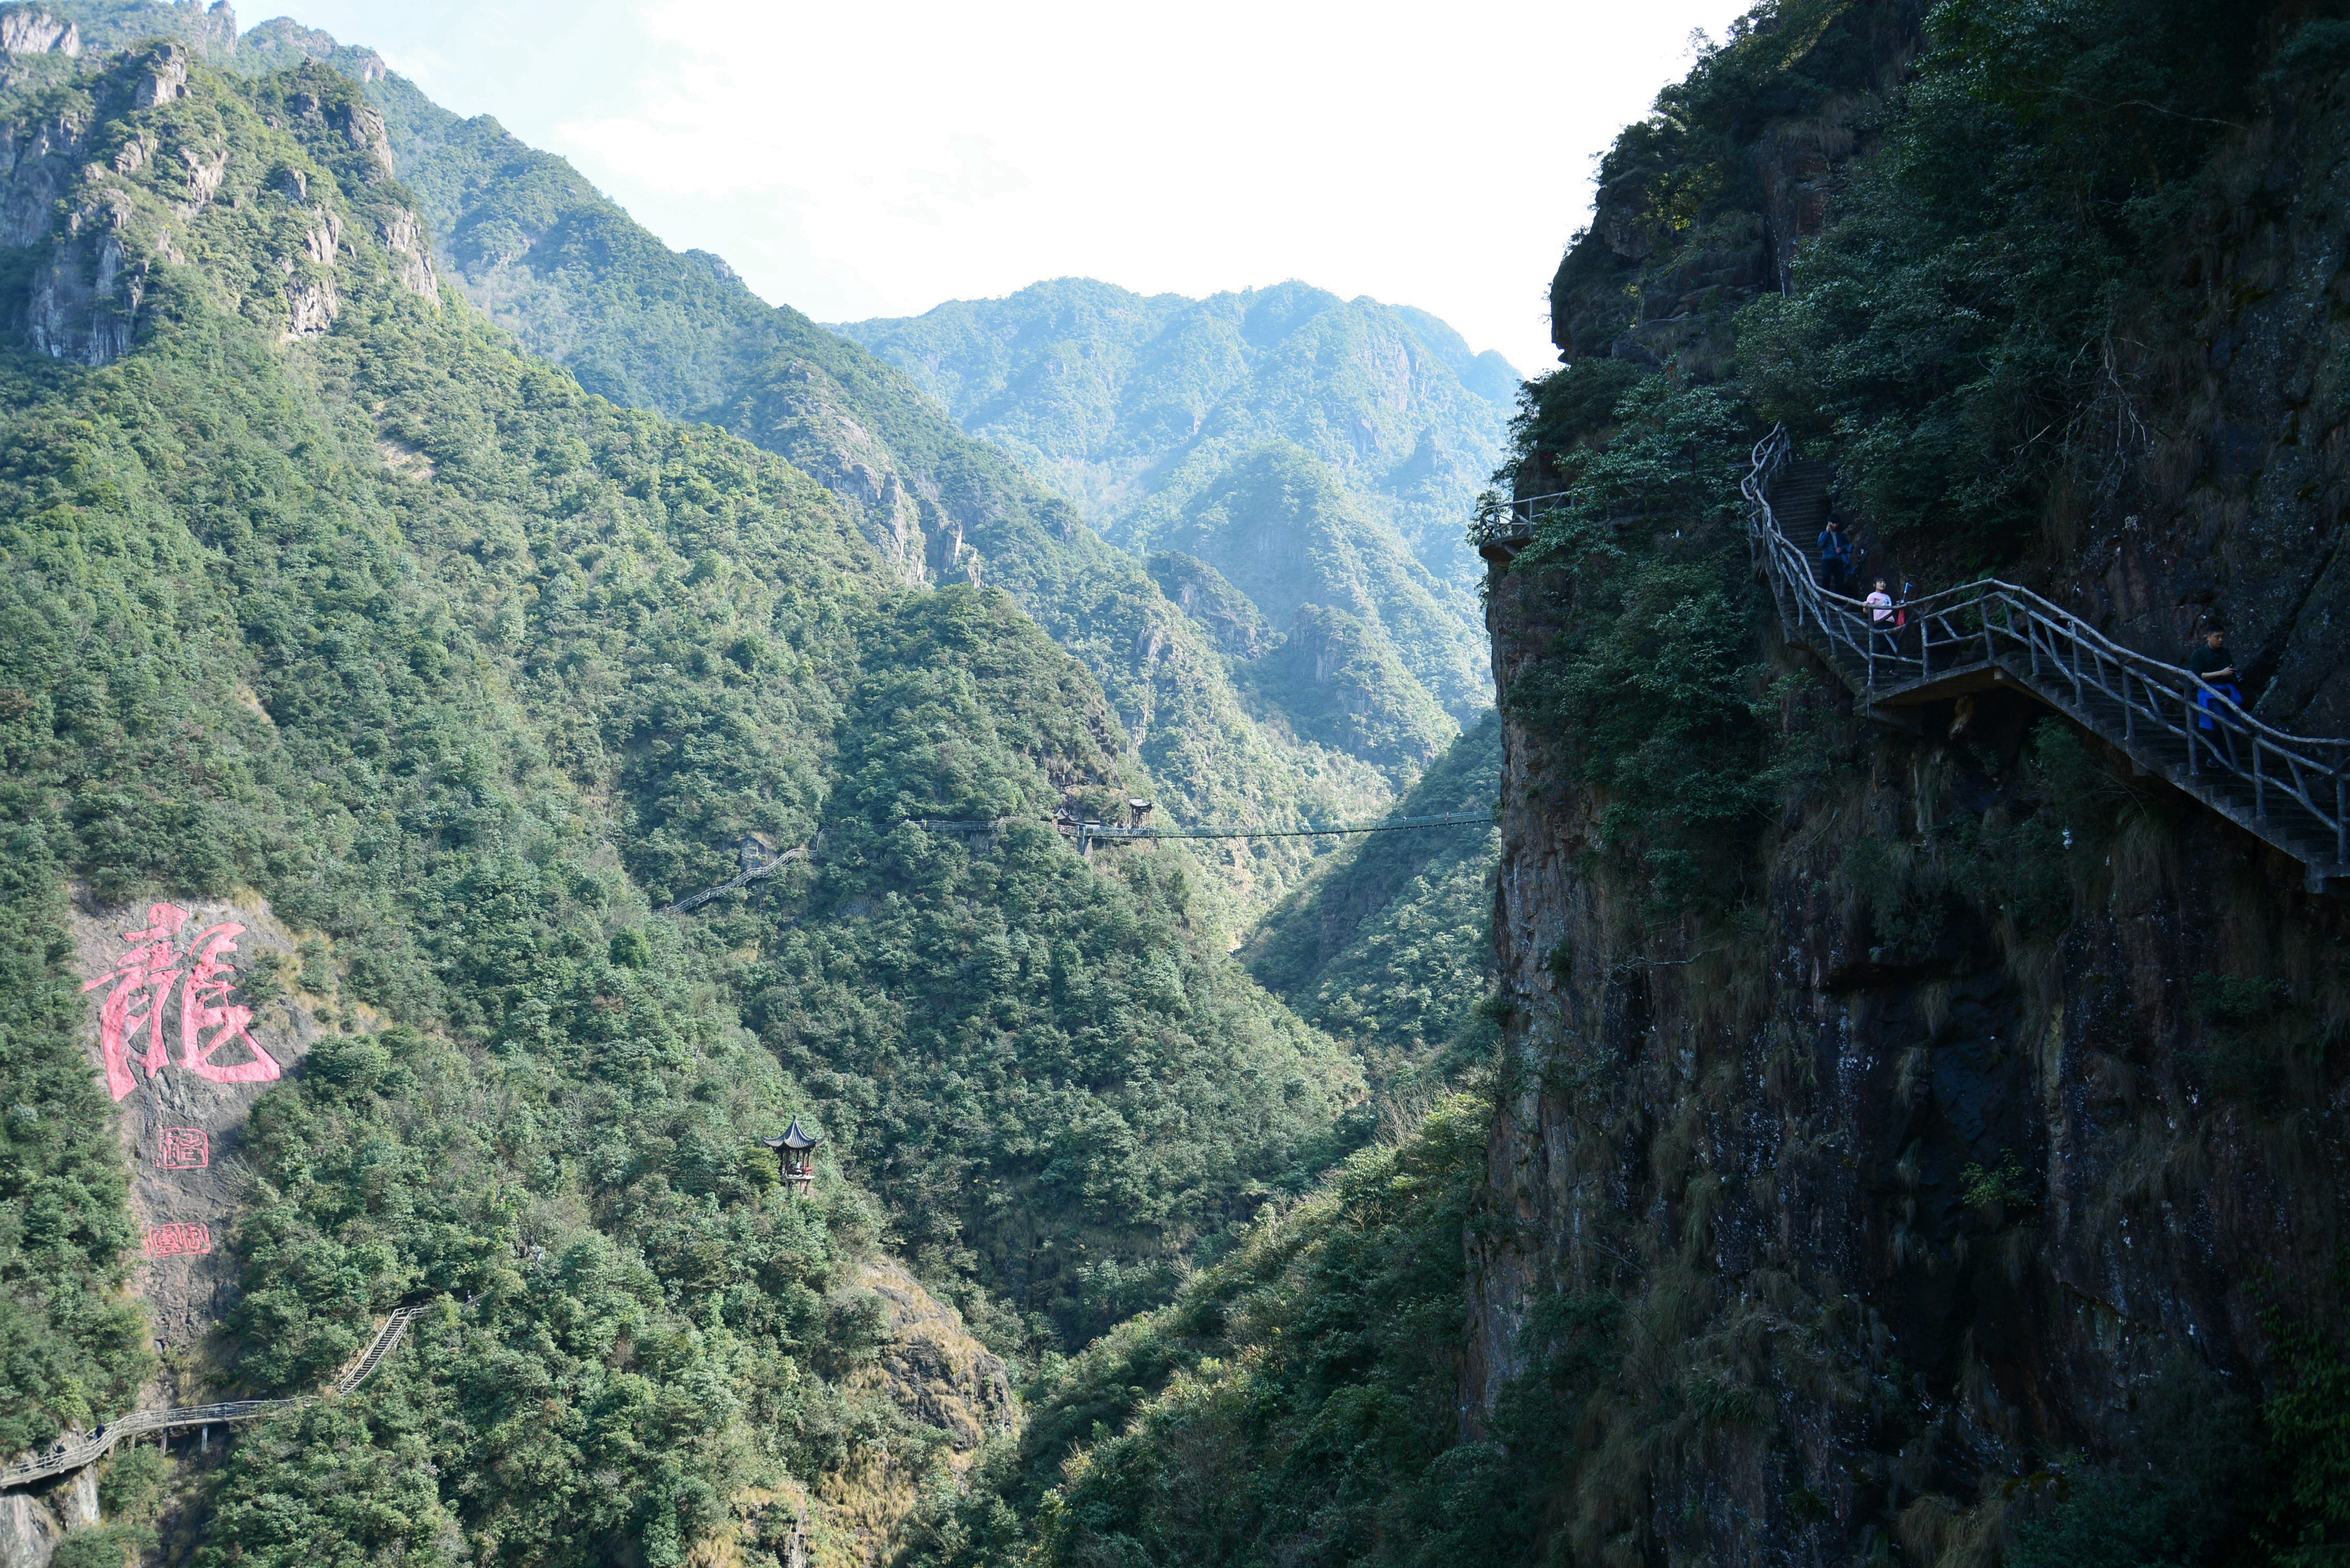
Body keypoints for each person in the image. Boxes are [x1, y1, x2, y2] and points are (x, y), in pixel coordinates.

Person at [2187, 626, 2242, 765]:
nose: (2221, 640)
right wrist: (2220, 673)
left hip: (2227, 693)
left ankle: (2224, 757)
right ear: (2208, 637)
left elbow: (2229, 671)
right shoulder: (2199, 654)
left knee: (2237, 725)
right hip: (2210, 694)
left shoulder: (2225, 653)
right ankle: (2214, 756)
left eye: (2223, 637)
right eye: (2217, 637)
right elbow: (2195, 675)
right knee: (2220, 722)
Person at [1818, 518, 1853, 595]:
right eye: (1833, 523)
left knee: (1840, 580)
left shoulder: (1842, 535)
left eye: (1836, 523)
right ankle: (1825, 596)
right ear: (1829, 523)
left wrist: (1842, 549)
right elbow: (1820, 544)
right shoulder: (1824, 534)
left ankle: (1839, 600)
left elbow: (1848, 546)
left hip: (1838, 560)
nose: (1835, 525)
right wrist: (1827, 532)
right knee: (1826, 577)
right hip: (1827, 559)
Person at [1865, 579, 1897, 660]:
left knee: (1893, 645)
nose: (1883, 584)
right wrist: (1865, 606)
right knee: (1884, 645)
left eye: (1884, 582)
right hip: (1880, 622)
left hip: (1891, 621)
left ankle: (1892, 669)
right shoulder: (1872, 595)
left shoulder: (1887, 596)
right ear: (1874, 585)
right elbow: (1866, 611)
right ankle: (1873, 660)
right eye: (1880, 582)